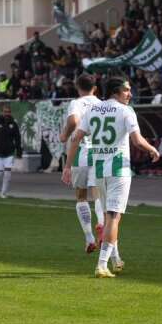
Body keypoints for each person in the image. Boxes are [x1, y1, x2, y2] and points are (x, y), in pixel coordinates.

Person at [62, 77, 161, 278]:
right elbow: (137, 140)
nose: (130, 94)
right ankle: (102, 264)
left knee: (110, 217)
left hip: (98, 169)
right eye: (127, 90)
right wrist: (152, 149)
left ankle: (116, 260)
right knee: (114, 217)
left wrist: (67, 165)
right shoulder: (126, 111)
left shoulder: (93, 110)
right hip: (118, 169)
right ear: (116, 91)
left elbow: (75, 138)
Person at [60, 74, 104, 252]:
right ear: (95, 88)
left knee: (81, 196)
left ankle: (89, 238)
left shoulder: (76, 103)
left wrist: (65, 134)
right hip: (101, 152)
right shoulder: (102, 104)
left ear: (78, 87)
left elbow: (73, 120)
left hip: (81, 151)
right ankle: (101, 222)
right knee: (98, 193)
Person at [0, 103, 22, 198]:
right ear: (1, 112)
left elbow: (17, 138)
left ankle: (3, 193)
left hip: (9, 152)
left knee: (8, 172)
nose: (7, 113)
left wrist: (18, 150)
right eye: (5, 112)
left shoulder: (14, 123)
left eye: (8, 112)